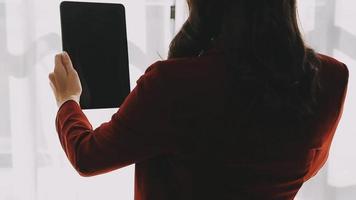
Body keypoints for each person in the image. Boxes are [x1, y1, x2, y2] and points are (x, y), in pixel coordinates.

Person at [49, 0, 349, 199]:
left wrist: (67, 100)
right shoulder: (332, 78)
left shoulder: (171, 84)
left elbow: (87, 156)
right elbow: (307, 165)